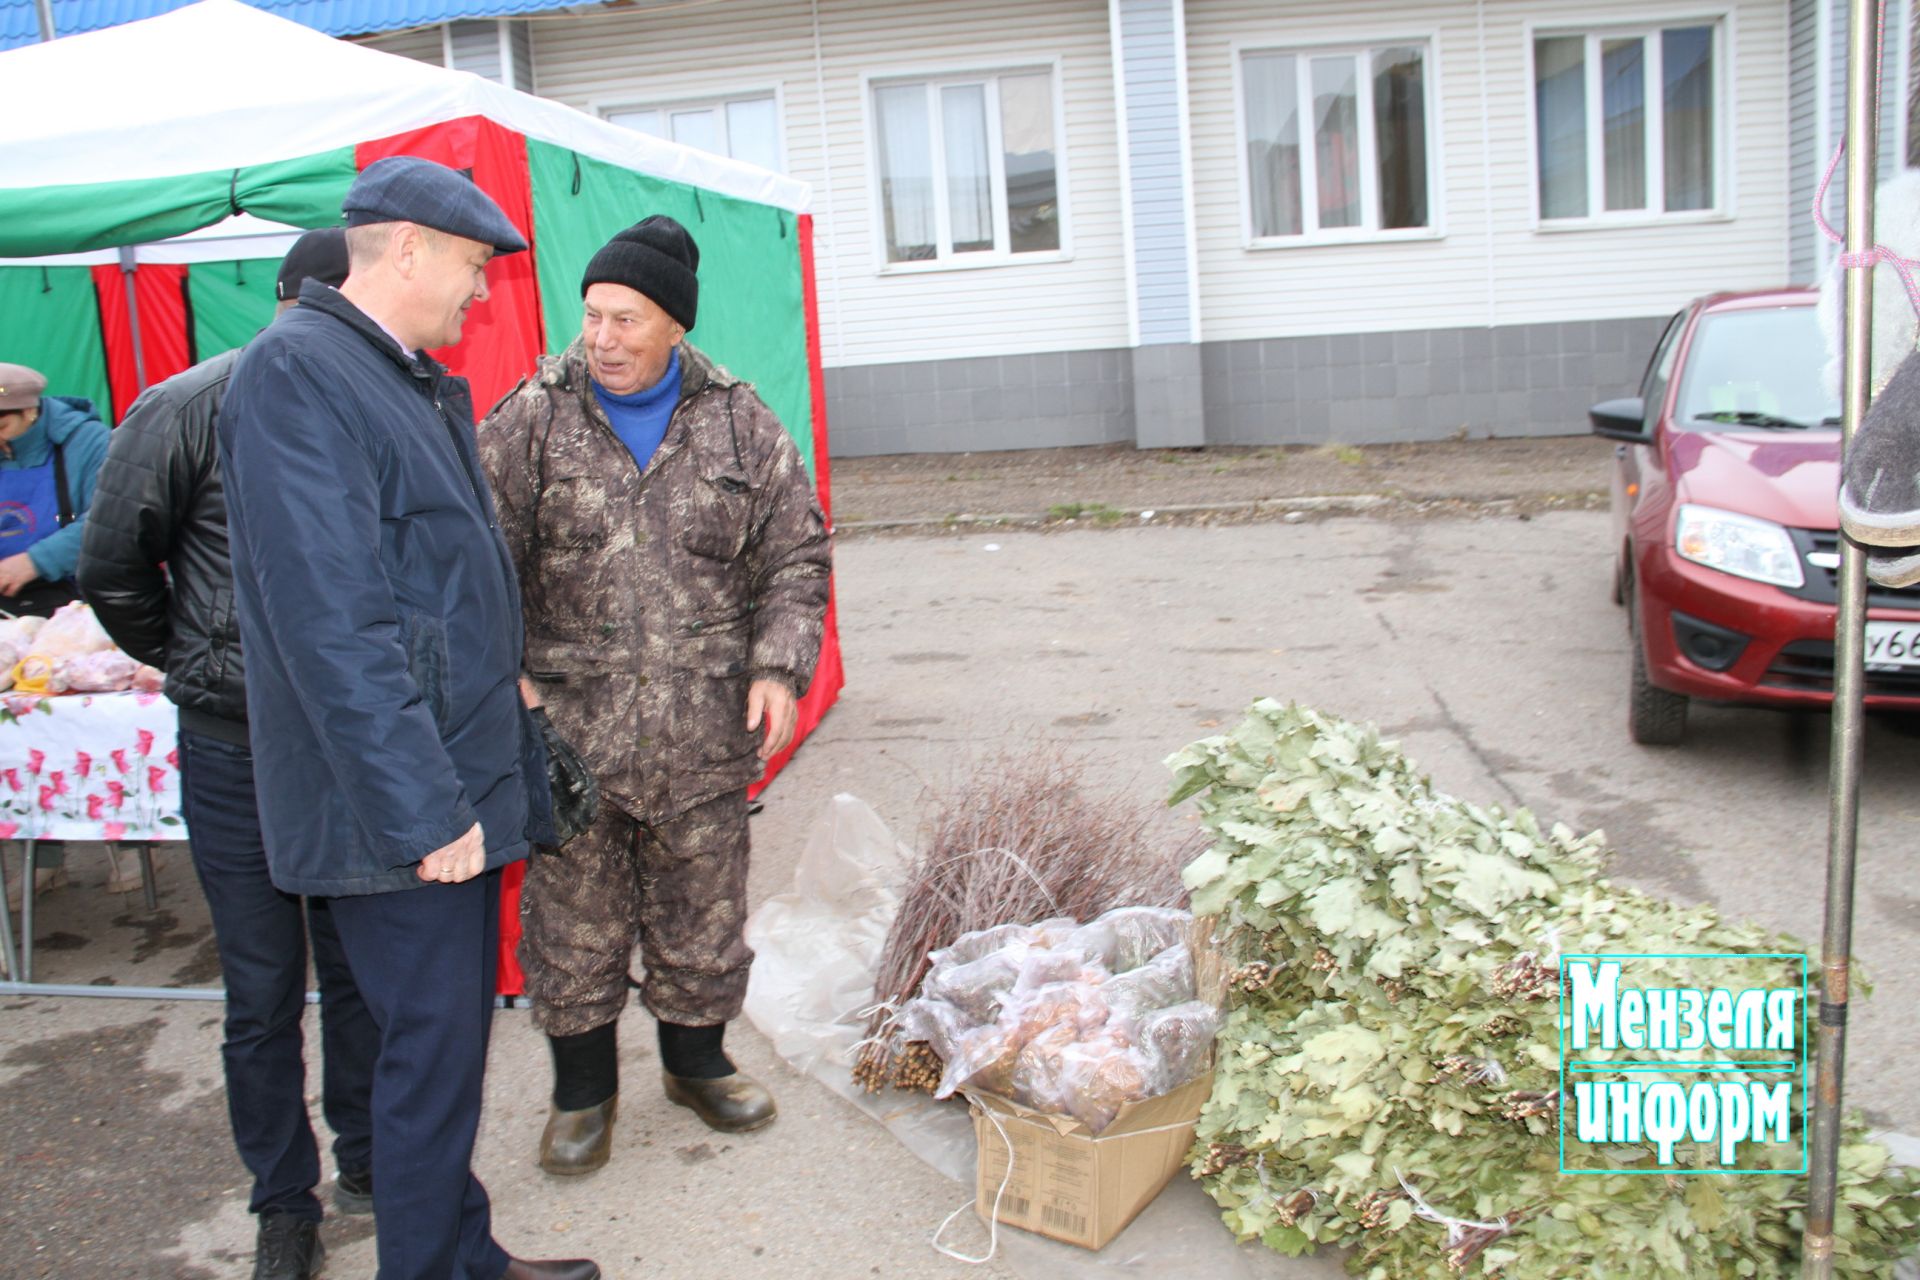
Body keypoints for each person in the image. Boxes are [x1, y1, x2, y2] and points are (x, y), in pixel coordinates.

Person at [217, 156, 597, 1280]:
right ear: (409, 248)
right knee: (430, 1059)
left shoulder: (395, 371)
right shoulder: (300, 372)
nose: (481, 291)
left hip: (445, 770)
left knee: (433, 1052)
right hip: (396, 803)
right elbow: (330, 625)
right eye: (475, 266)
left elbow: (433, 577)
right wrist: (427, 811)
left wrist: (513, 694)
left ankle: (463, 1251)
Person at [479, 214, 830, 1175]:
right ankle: (582, 1095)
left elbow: (796, 556)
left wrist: (777, 665)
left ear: (674, 325)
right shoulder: (529, 420)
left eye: (626, 320)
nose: (602, 339)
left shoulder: (742, 423)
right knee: (572, 924)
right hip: (570, 735)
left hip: (705, 729)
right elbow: (474, 564)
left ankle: (697, 1065)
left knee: (702, 911)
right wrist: (502, 676)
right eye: (592, 317)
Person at [77, 229, 378, 1280]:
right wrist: (200, 660)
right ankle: (280, 1202)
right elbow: (112, 566)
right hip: (235, 748)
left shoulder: (377, 406)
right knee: (260, 987)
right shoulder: (190, 405)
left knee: (357, 973)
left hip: (347, 750)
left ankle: (371, 1158)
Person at [0, 361, 109, 616]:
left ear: (29, 410)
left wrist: (36, 562)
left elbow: (111, 520)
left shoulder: (88, 442)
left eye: (2, 427)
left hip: (77, 602)